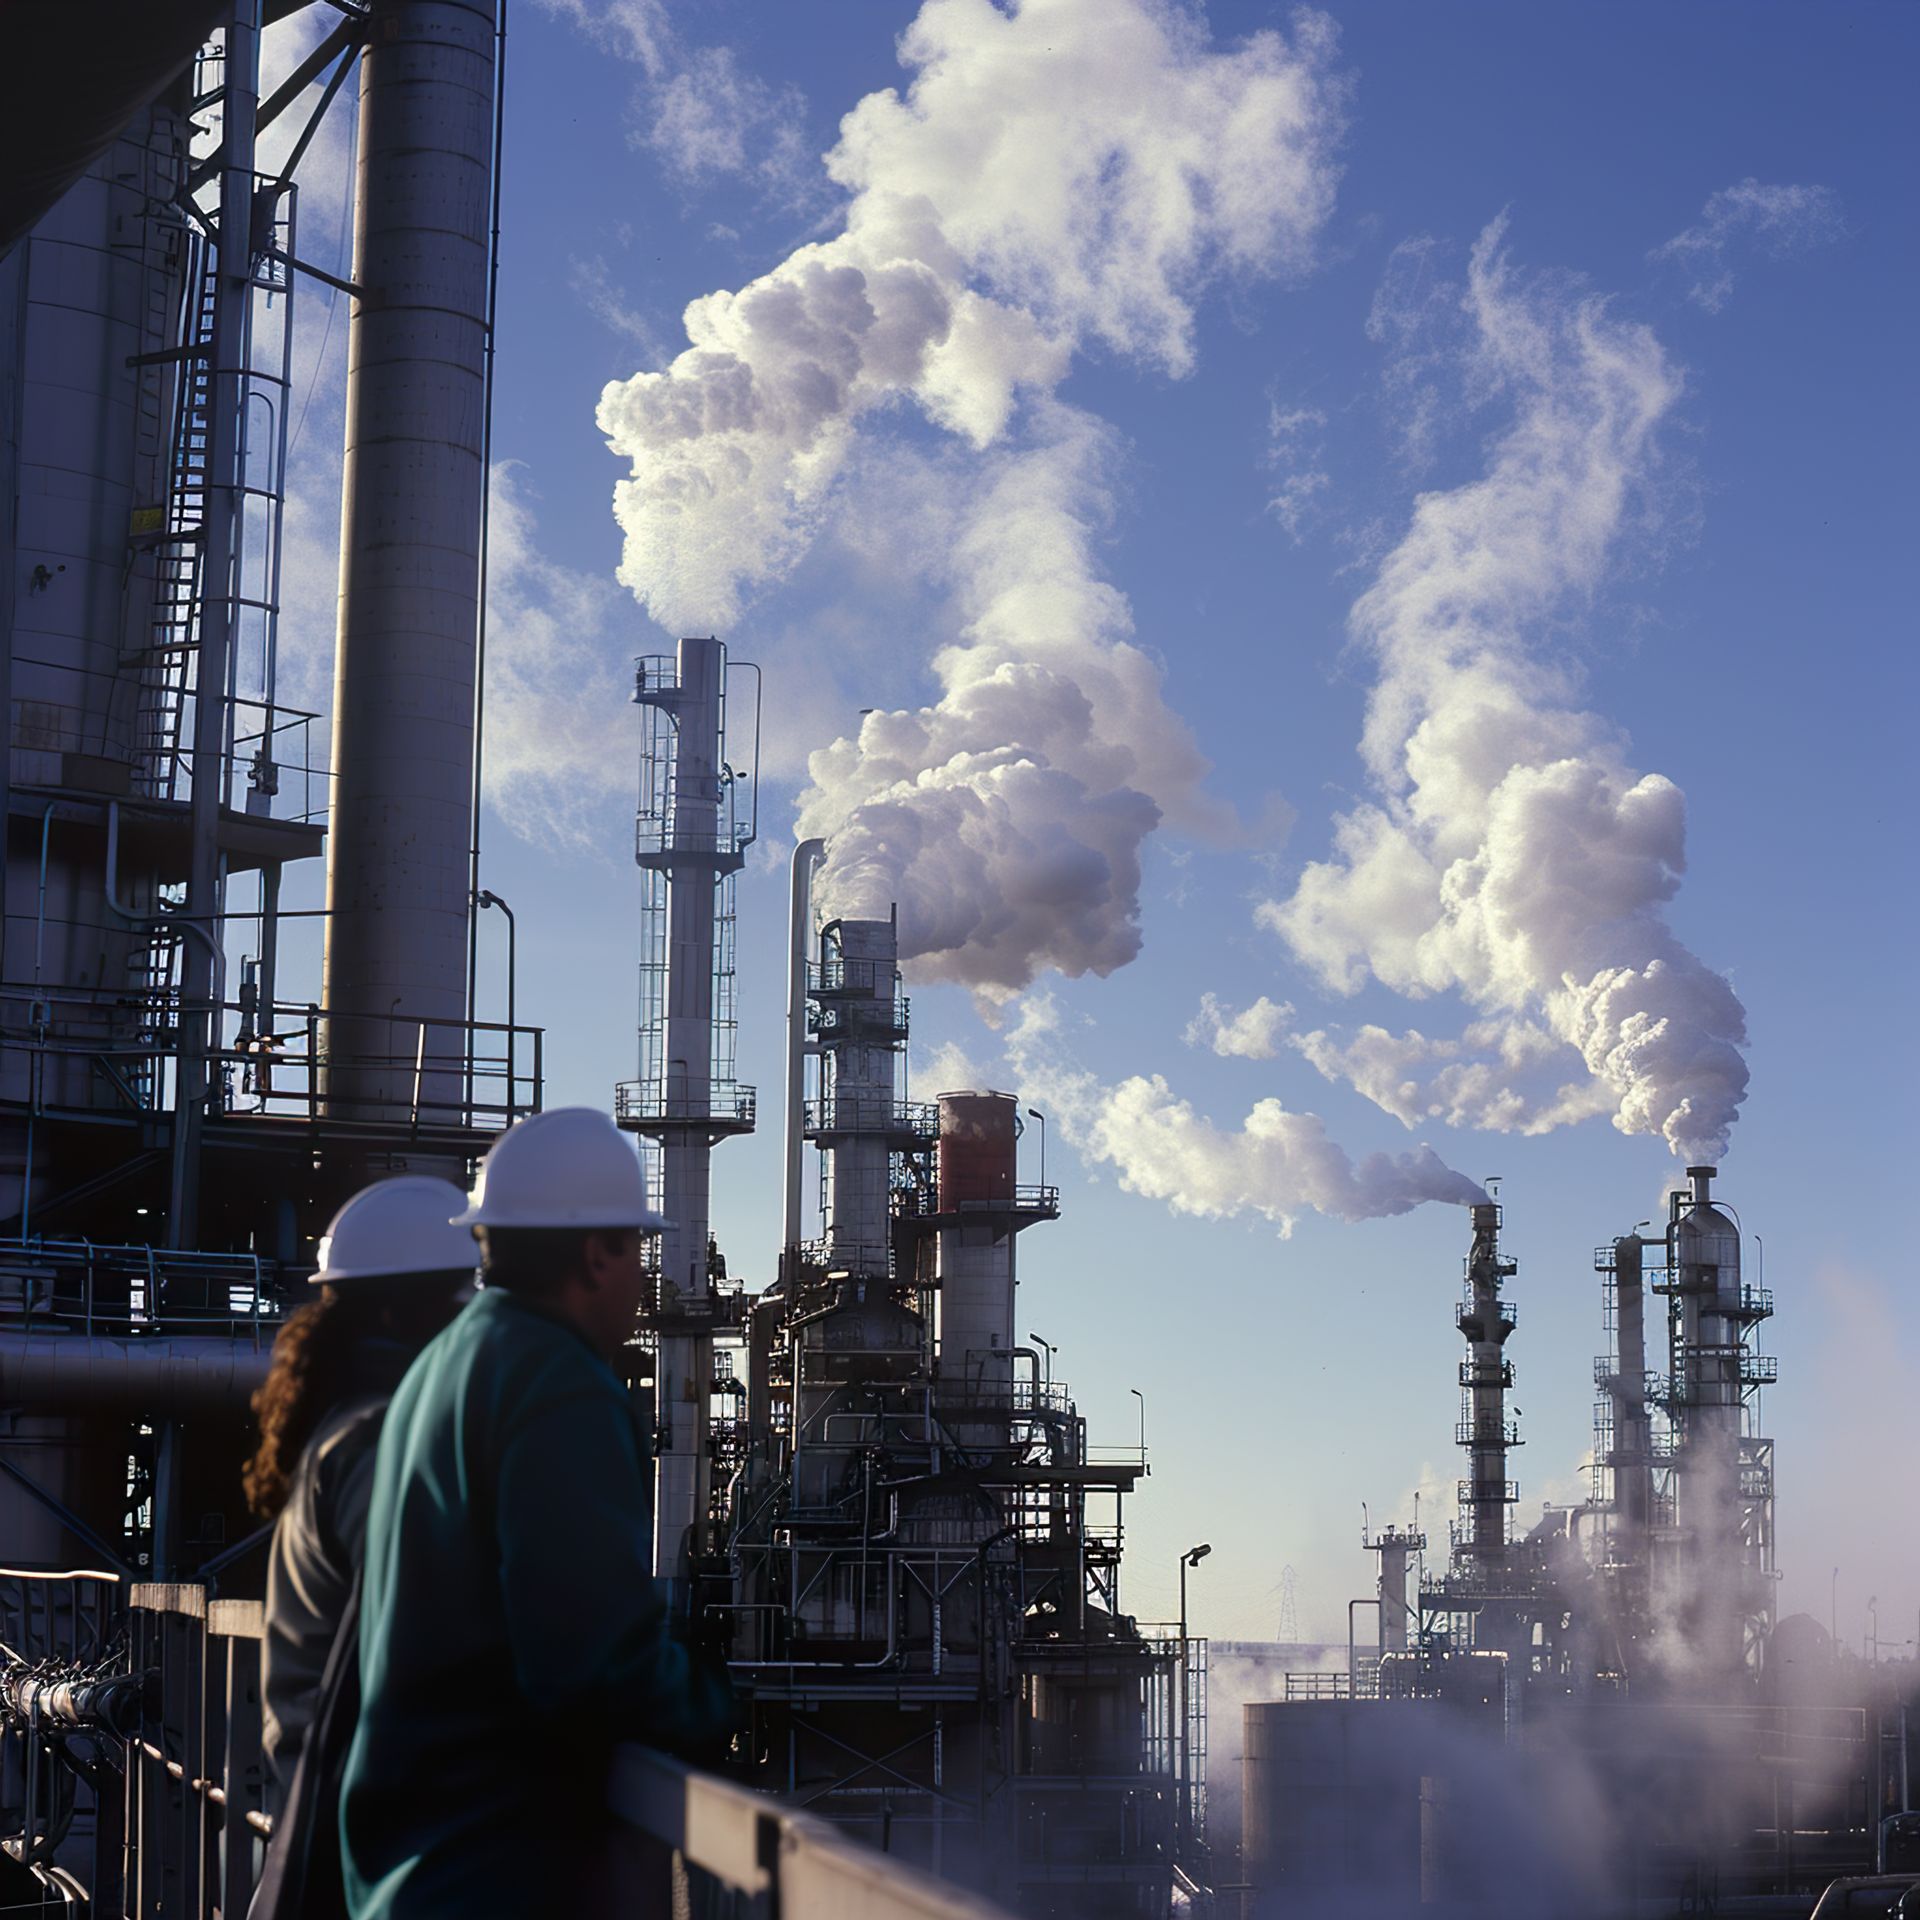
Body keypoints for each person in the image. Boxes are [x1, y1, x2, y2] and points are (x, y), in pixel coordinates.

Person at [339, 1108, 733, 1920]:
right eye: (639, 1251)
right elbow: (590, 1664)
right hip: (493, 1874)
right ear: (598, 1254)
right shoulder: (559, 1383)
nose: (642, 1280)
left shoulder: (443, 1366)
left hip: (405, 1868)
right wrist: (715, 1710)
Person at [244, 1175, 476, 1809]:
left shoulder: (349, 1427)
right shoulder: (374, 1443)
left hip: (338, 1803)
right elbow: (427, 1642)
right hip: (363, 1831)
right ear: (401, 1314)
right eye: (464, 1306)